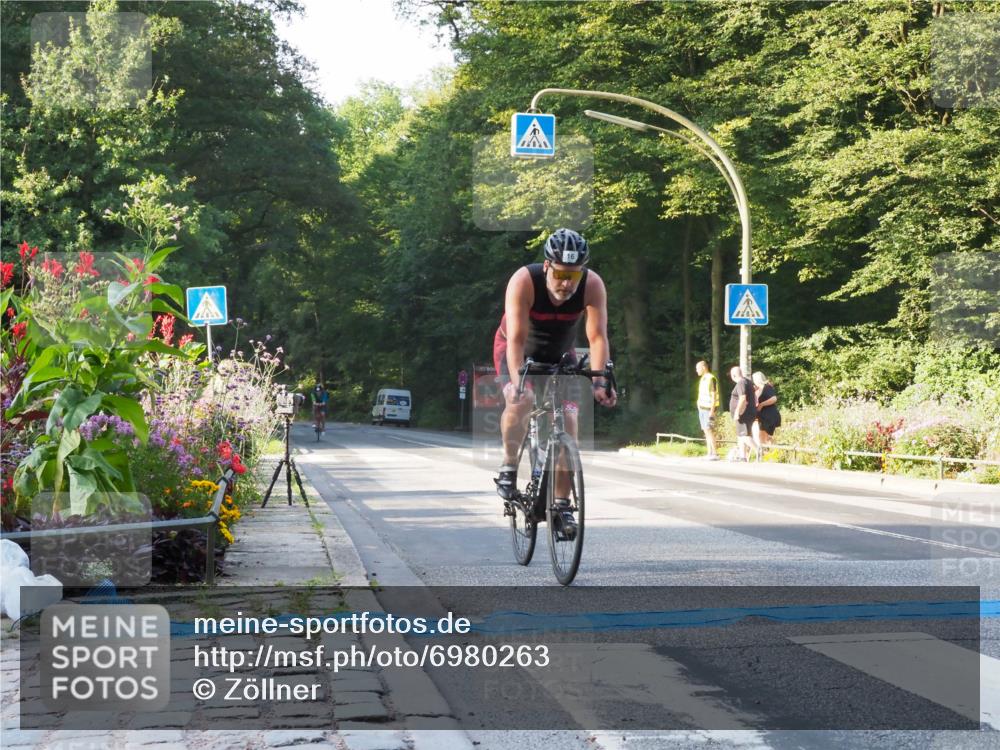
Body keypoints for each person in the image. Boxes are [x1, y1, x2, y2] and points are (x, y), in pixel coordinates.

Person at [493, 229, 617, 539]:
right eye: (560, 274)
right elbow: (516, 340)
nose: (566, 283)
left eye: (573, 275)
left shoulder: (592, 285)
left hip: (561, 354)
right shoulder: (524, 280)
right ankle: (509, 466)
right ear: (547, 266)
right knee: (520, 400)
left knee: (569, 422)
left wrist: (600, 380)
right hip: (517, 349)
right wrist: (517, 382)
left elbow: (597, 337)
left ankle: (562, 506)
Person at [728, 366, 756, 461]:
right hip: (748, 412)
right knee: (740, 435)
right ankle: (742, 456)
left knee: (744, 435)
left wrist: (737, 412)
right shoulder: (747, 381)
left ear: (733, 375)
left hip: (743, 413)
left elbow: (743, 398)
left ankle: (758, 449)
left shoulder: (741, 383)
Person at [695, 360, 720, 460]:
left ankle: (715, 454)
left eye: (698, 368)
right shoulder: (703, 378)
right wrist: (698, 403)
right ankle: (709, 453)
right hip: (702, 408)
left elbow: (713, 396)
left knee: (709, 431)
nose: (696, 370)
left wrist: (712, 412)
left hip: (709, 409)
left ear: (704, 367)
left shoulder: (711, 378)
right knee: (706, 431)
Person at [752, 371, 780, 456]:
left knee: (766, 437)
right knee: (762, 437)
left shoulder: (767, 387)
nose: (753, 381)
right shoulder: (758, 389)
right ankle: (766, 455)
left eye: (754, 379)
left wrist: (762, 404)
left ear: (757, 379)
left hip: (769, 416)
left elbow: (774, 399)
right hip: (762, 417)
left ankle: (770, 454)